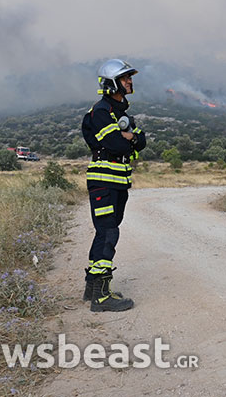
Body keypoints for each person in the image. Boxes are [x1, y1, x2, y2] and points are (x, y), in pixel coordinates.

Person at [80, 59, 147, 312]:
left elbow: (141, 141)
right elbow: (116, 144)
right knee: (108, 233)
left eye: (130, 77)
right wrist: (128, 138)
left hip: (118, 183)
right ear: (111, 83)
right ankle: (101, 296)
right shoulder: (101, 111)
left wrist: (130, 137)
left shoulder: (121, 114)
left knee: (105, 232)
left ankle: (92, 288)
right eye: (125, 78)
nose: (130, 82)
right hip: (103, 182)